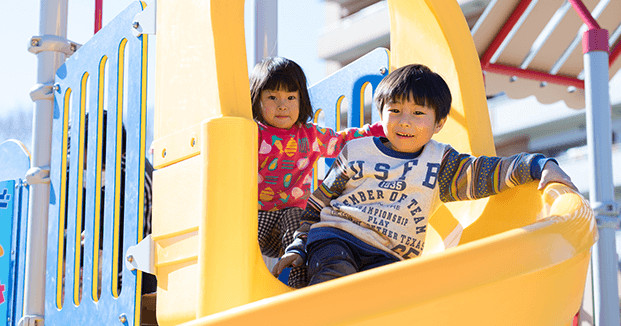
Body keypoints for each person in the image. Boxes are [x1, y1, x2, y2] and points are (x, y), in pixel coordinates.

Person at [272, 64, 576, 285]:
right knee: (334, 276)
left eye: (418, 114)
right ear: (381, 114)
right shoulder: (357, 151)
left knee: (383, 301)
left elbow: (484, 172)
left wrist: (538, 165)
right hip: (338, 236)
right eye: (395, 111)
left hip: (391, 258)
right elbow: (319, 202)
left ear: (439, 123)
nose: (405, 122)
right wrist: (299, 244)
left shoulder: (439, 163)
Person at [250, 57, 385, 288]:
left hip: (290, 219)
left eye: (291, 98)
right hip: (257, 215)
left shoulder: (309, 136)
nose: (283, 105)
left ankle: (299, 284)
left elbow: (343, 140)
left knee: (301, 226)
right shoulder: (253, 133)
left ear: (301, 101)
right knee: (239, 232)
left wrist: (380, 129)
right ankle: (239, 283)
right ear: (256, 100)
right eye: (272, 97)